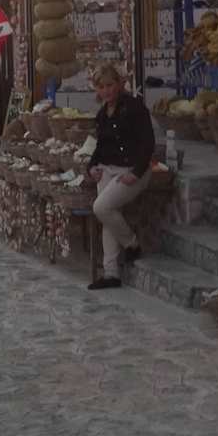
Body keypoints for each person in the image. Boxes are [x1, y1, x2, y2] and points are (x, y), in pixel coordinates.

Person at [85, 61, 155, 290]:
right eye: (101, 87)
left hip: (132, 170)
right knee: (108, 215)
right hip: (107, 169)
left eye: (109, 85)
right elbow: (100, 147)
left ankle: (132, 243)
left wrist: (136, 172)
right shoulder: (102, 115)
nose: (106, 91)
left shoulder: (134, 108)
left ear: (119, 84)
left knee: (101, 208)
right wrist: (92, 167)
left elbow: (148, 144)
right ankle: (111, 273)